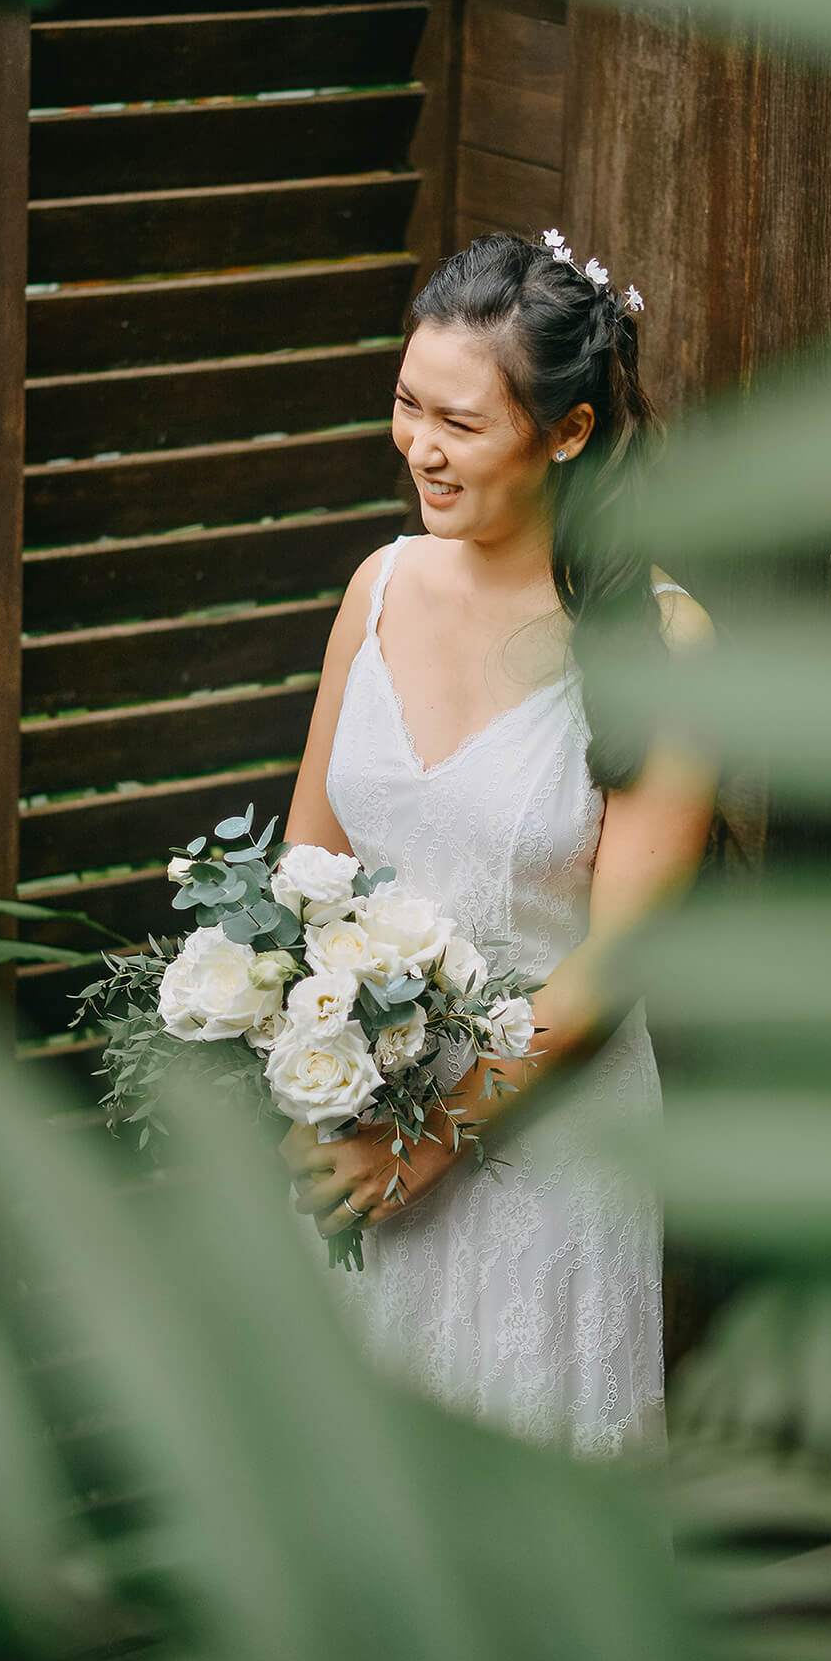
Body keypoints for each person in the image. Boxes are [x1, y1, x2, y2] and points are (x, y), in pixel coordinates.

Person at [279, 229, 716, 1456]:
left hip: (546, 1147)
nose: (420, 445)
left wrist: (430, 1141)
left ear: (565, 432)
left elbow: (608, 967)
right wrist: (308, 1063)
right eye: (406, 404)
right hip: (359, 1123)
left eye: (459, 423)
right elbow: (308, 870)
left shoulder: (657, 641)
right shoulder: (376, 586)